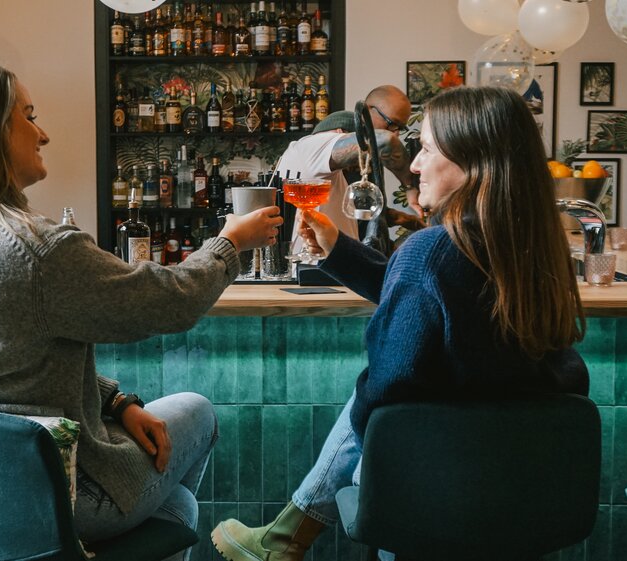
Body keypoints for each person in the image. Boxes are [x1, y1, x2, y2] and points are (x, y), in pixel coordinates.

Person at [0, 66, 283, 561]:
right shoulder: (36, 251)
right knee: (197, 418)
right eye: (29, 116)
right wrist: (232, 241)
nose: (44, 133)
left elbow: (3, 367)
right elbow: (172, 300)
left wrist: (117, 401)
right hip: (57, 502)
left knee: (177, 507)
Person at [211, 86, 589, 561]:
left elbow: (389, 387)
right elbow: (433, 292)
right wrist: (338, 252)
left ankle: (289, 533)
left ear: (473, 162)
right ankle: (285, 535)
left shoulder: (430, 251)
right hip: (528, 494)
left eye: (427, 149)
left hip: (428, 492)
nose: (413, 164)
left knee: (372, 397)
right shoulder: (534, 252)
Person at [275, 84, 420, 254]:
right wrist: (411, 186)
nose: (395, 134)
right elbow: (385, 141)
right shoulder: (310, 148)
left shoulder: (335, 178)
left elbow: (356, 216)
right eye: (391, 125)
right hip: (312, 272)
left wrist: (406, 220)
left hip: (337, 271)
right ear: (340, 134)